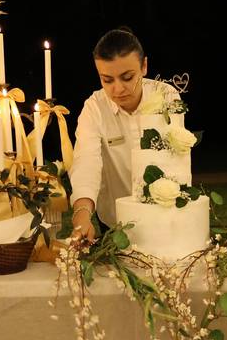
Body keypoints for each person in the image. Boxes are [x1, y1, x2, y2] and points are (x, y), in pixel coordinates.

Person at [69, 27, 177, 240]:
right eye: (107, 80)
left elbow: (175, 159)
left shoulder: (166, 95)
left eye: (127, 77)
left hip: (166, 214)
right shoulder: (94, 108)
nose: (118, 89)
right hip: (115, 220)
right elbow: (86, 163)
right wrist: (82, 215)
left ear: (144, 66)